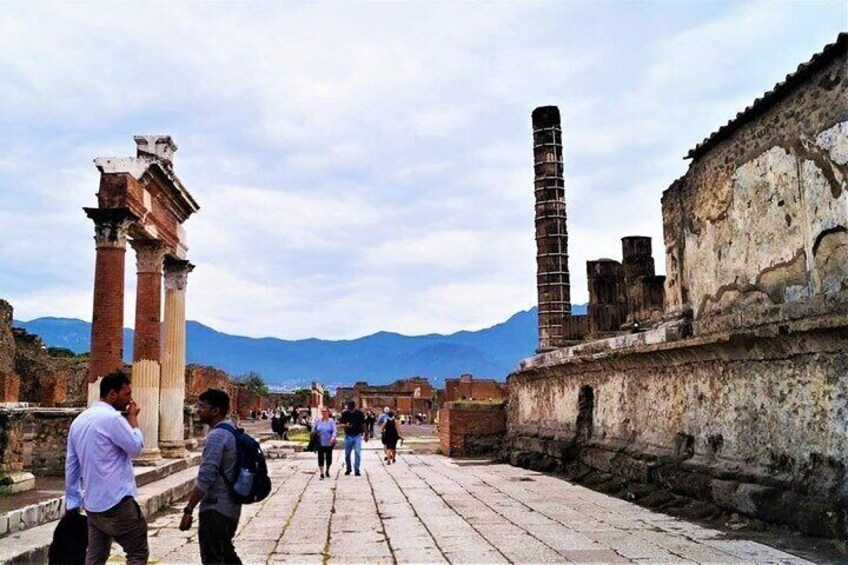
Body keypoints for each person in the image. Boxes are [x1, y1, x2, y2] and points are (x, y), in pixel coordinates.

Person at [65, 370, 148, 565]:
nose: (130, 400)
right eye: (126, 394)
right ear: (112, 395)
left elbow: (71, 465)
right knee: (137, 553)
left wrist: (73, 501)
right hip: (117, 501)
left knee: (96, 556)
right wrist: (133, 420)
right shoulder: (112, 419)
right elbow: (135, 448)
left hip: (93, 503)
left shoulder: (79, 421)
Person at [179, 389, 243, 565]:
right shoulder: (232, 429)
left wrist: (189, 509)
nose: (197, 410)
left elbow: (206, 477)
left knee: (213, 558)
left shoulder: (216, 436)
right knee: (227, 555)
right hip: (231, 506)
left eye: (202, 406)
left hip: (216, 508)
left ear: (215, 411)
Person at [339, 400, 365, 476]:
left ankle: (357, 469)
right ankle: (348, 468)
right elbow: (341, 424)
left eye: (352, 409)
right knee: (347, 454)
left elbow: (363, 424)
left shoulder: (359, 414)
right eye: (349, 409)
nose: (351, 410)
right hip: (348, 436)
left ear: (354, 407)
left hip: (357, 435)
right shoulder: (345, 413)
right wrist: (346, 425)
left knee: (357, 453)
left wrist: (366, 434)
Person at [312, 407, 337, 479]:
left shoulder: (331, 421)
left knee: (329, 457)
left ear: (328, 412)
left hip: (329, 442)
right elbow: (313, 429)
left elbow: (334, 431)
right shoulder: (318, 421)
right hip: (320, 442)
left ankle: (327, 470)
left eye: (325, 411)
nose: (324, 413)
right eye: (322, 411)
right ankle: (322, 473)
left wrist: (332, 438)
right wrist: (315, 433)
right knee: (320, 457)